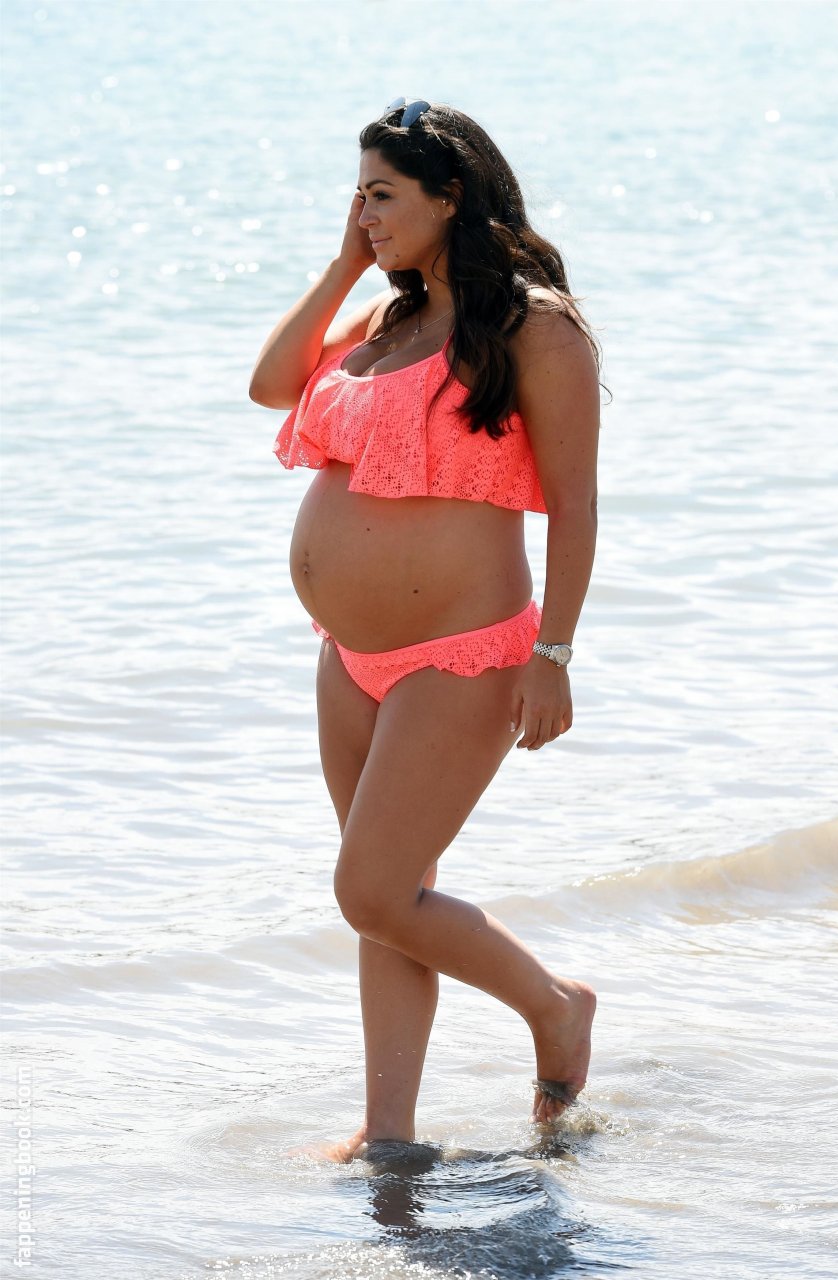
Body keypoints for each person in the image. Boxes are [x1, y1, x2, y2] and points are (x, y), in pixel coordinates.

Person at [249, 98, 603, 1163]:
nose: (364, 213)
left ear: (449, 197)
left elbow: (577, 504)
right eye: (356, 195)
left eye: (383, 194)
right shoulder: (381, 319)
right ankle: (390, 1130)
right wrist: (344, 266)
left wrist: (553, 655)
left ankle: (553, 1006)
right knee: (389, 897)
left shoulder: (534, 328)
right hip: (349, 656)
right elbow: (269, 384)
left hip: (464, 653)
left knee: (372, 887)